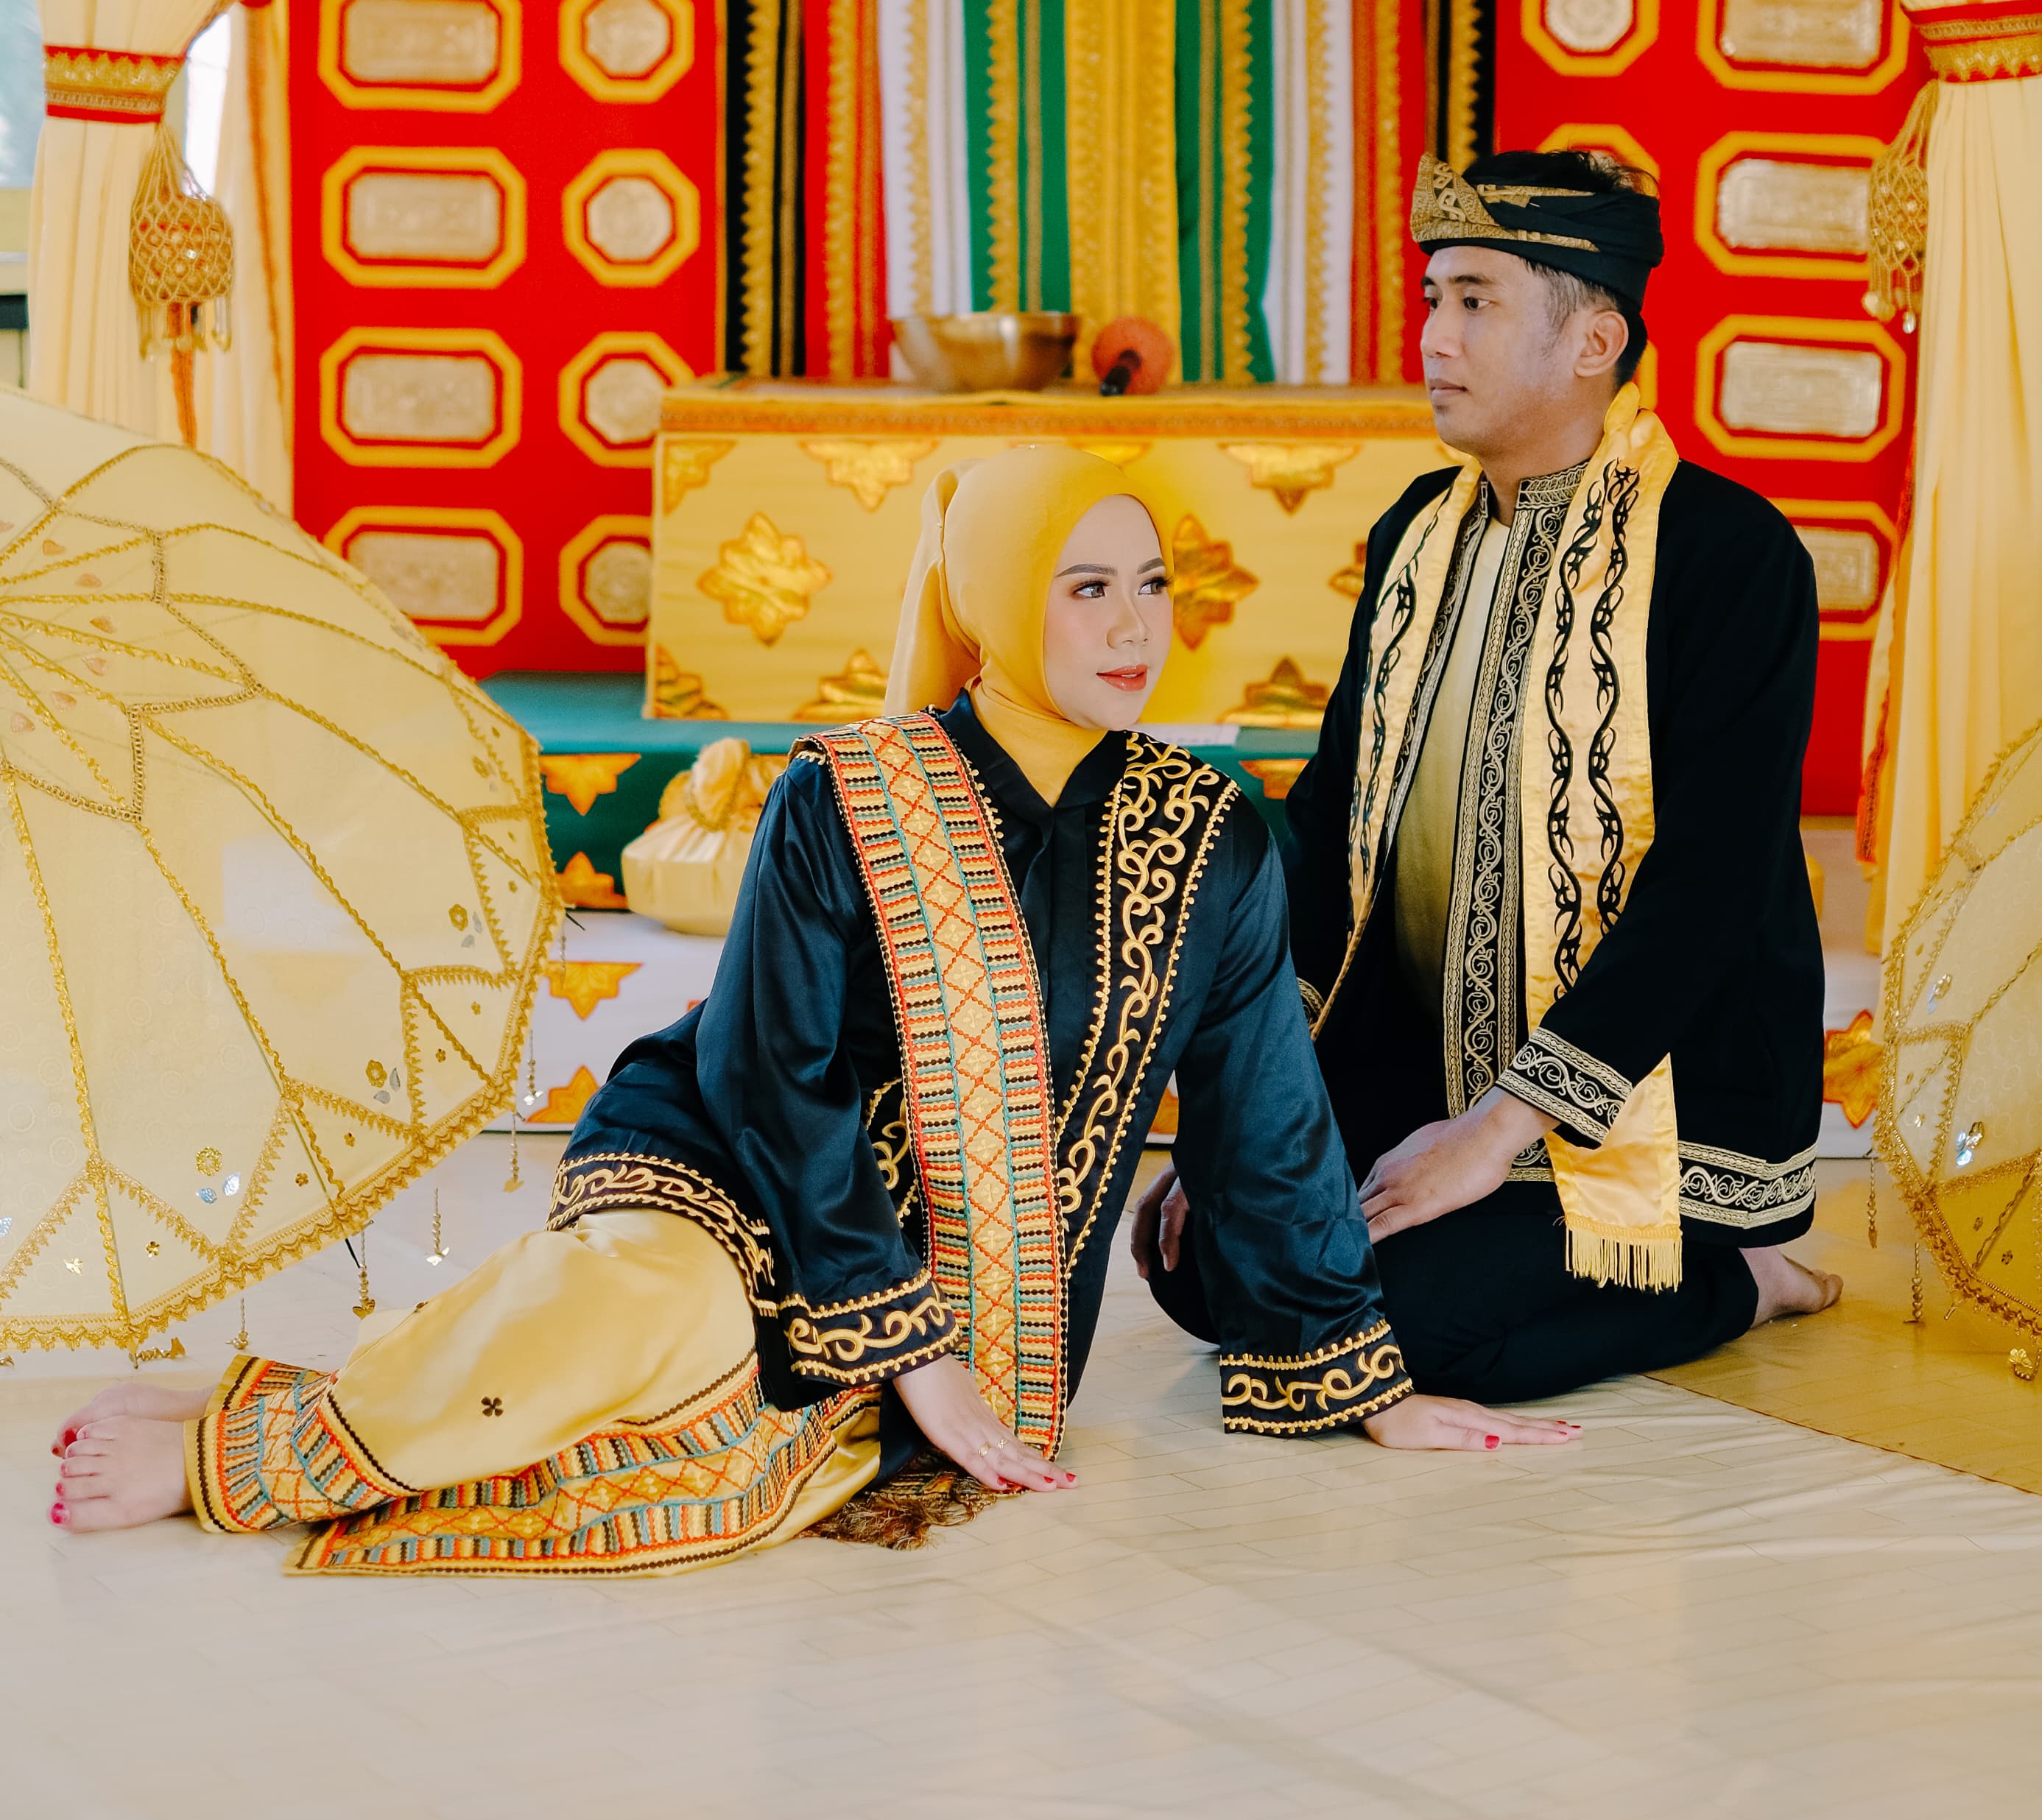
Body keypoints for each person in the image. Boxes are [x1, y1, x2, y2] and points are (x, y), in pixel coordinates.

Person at [52, 446, 1572, 1567]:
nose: (1134, 626)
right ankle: (237, 1450)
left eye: (1153, 584)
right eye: (1086, 587)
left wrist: (1355, 1371)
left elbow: (1263, 1118)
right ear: (992, 599)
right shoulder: (845, 794)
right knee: (647, 1317)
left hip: (979, 1294)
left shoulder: (1211, 834)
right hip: (738, 1177)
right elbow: (772, 1074)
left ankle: (363, 1386)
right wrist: (905, 1342)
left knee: (691, 1411)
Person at [1137, 149, 1837, 1405]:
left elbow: (1713, 887)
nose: (1433, 337)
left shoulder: (1728, 556)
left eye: (1475, 301)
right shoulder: (1417, 528)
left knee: (1395, 1335)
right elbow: (1332, 817)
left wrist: (1502, 1127)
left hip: (1646, 1093)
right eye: (1431, 299)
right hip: (1418, 1062)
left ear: (1593, 342)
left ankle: (1740, 1277)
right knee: (1202, 1269)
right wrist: (1251, 1100)